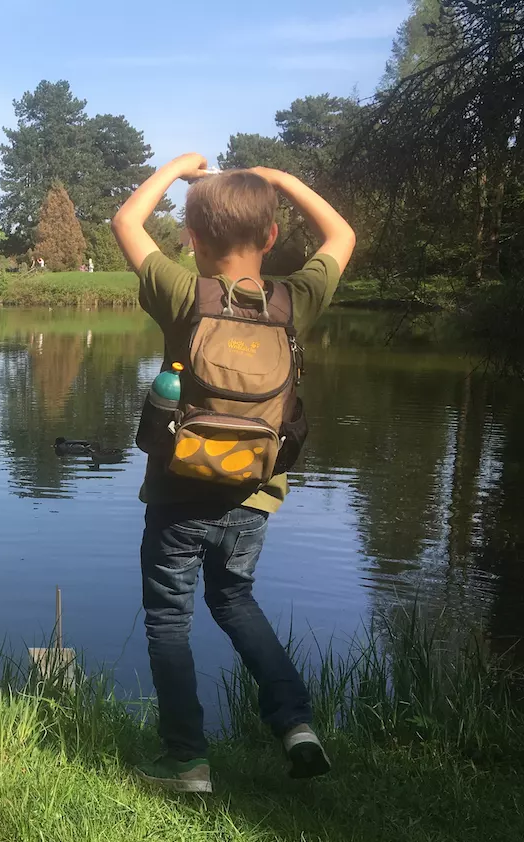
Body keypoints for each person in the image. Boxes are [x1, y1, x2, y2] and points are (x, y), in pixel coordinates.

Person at [111, 154, 355, 793]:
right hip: (254, 492)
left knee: (169, 620)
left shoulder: (183, 292)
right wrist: (281, 181)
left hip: (175, 491)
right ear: (272, 236)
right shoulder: (293, 299)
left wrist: (173, 170)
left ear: (190, 240)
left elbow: (127, 221)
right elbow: (342, 236)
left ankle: (186, 760)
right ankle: (295, 723)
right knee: (235, 599)